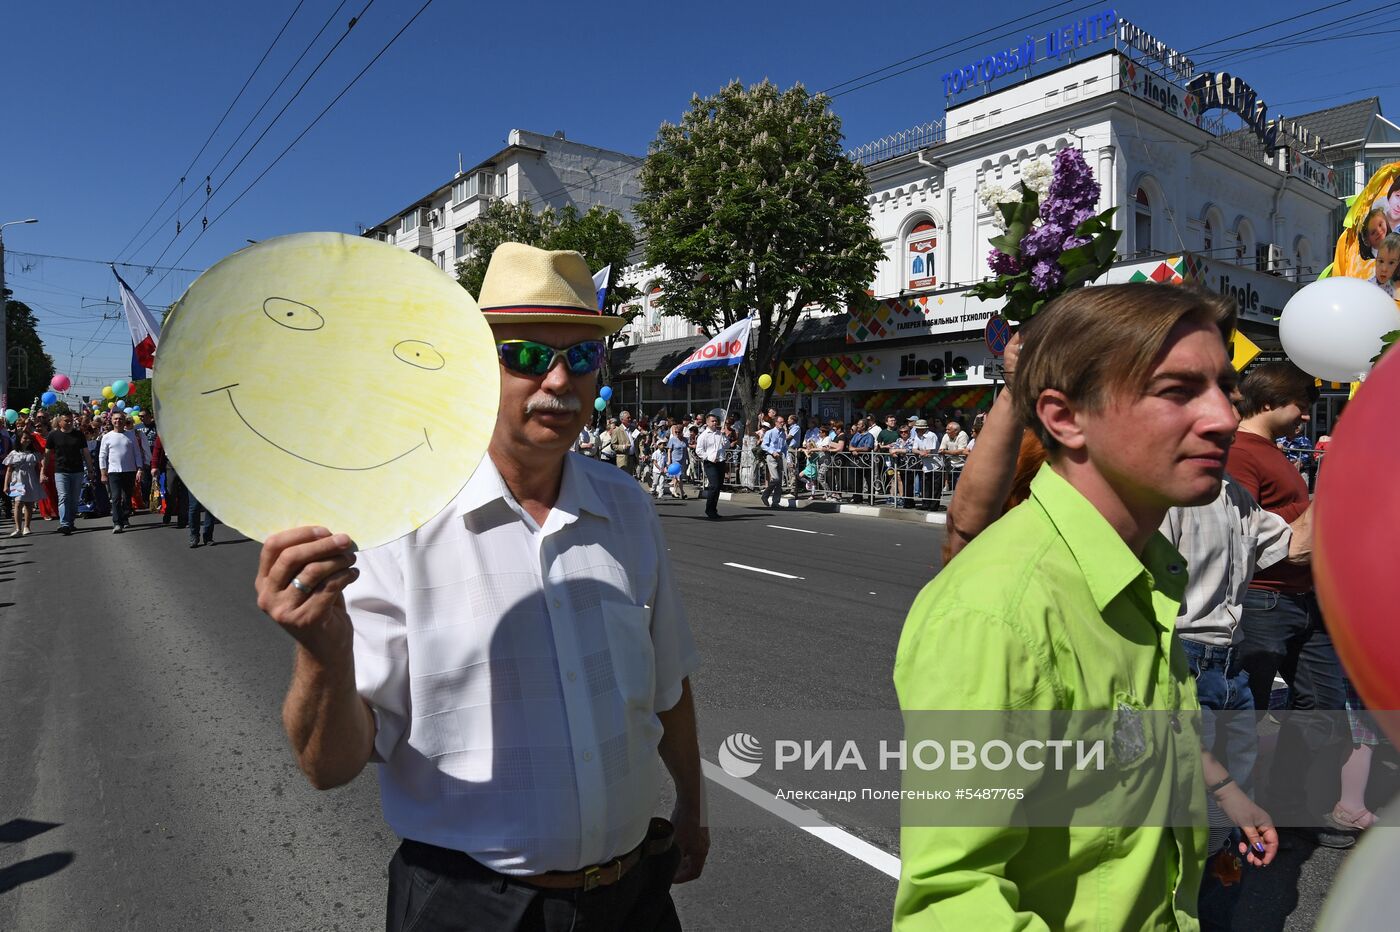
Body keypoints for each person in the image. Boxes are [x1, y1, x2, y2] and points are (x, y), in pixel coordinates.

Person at [254, 244, 705, 932]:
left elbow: (667, 683)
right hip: (470, 908)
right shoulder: (397, 520)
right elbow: (329, 765)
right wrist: (321, 649)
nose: (558, 380)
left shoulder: (628, 505)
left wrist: (693, 807)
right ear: (474, 367)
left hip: (634, 894)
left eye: (582, 357)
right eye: (526, 356)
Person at [894, 284, 1243, 930]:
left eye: (1228, 388)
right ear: (1063, 417)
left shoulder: (1146, 573)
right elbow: (951, 904)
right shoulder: (998, 612)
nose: (1224, 417)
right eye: (1178, 391)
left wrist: (1220, 786)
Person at [1231, 363, 1350, 844]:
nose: (1306, 418)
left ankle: (1287, 804)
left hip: (1302, 597)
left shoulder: (1268, 451)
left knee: (1321, 707)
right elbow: (1240, 527)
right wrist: (1315, 507)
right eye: (1301, 406)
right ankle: (1240, 818)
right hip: (1263, 599)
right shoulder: (1240, 453)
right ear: (1267, 403)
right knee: (1245, 713)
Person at [41, 412, 96, 536]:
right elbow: (47, 454)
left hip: (77, 470)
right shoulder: (53, 435)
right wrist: (43, 471)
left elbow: (86, 452)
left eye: (71, 420)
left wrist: (91, 470)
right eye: (66, 420)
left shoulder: (78, 435)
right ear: (60, 422)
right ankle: (64, 524)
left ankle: (70, 521)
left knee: (74, 498)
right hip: (61, 471)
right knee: (64, 496)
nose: (69, 422)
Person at [98, 414, 144, 533]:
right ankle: (117, 522)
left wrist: (140, 468)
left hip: (129, 471)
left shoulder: (131, 435)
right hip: (114, 472)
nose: (118, 421)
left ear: (124, 421)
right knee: (116, 497)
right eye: (115, 419)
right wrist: (103, 472)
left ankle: (125, 517)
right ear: (112, 421)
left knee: (127, 497)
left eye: (120, 419)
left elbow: (137, 453)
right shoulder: (107, 437)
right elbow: (102, 456)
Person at [3, 430, 44, 537]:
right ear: (19, 439)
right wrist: (6, 485)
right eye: (24, 438)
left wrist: (41, 477)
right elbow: (9, 470)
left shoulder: (34, 454)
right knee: (18, 503)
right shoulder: (14, 454)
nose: (27, 440)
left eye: (28, 438)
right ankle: (18, 528)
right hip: (17, 480)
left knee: (29, 504)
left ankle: (27, 526)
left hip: (30, 480)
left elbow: (39, 468)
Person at [696, 414, 728, 520]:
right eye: (712, 421)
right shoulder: (703, 436)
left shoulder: (720, 434)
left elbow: (727, 445)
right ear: (707, 423)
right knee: (713, 485)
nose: (715, 423)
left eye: (716, 421)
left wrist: (724, 435)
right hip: (710, 463)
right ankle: (709, 509)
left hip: (720, 461)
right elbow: (699, 450)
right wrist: (709, 457)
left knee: (718, 486)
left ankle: (714, 509)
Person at [910, 418, 941, 510]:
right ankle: (925, 504)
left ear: (923, 429)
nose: (916, 430)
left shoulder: (931, 435)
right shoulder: (917, 436)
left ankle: (934, 506)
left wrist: (921, 452)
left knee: (935, 487)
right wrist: (920, 452)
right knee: (925, 486)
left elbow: (929, 451)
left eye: (918, 428)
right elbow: (913, 449)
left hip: (936, 465)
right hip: (925, 465)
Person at [760, 415, 787, 508]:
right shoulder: (770, 432)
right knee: (776, 478)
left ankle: (775, 502)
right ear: (776, 423)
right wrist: (772, 452)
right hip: (771, 456)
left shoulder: (783, 433)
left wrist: (787, 459)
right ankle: (765, 495)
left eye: (783, 422)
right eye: (780, 422)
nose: (782, 424)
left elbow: (784, 447)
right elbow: (763, 446)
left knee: (779, 482)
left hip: (779, 457)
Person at [937, 420, 969, 492]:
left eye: (948, 429)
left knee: (962, 488)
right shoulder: (946, 435)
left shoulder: (962, 435)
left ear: (956, 431)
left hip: (963, 464)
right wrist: (944, 451)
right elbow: (941, 449)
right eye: (946, 429)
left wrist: (946, 452)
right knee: (955, 488)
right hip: (951, 464)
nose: (946, 431)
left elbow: (961, 451)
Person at [665, 423, 689, 500]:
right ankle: (682, 492)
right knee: (678, 477)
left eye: (679, 432)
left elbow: (686, 450)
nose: (677, 434)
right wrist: (669, 460)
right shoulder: (672, 440)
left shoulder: (685, 440)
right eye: (676, 432)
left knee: (678, 477)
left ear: (682, 432)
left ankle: (674, 491)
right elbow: (669, 450)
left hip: (683, 460)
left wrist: (687, 459)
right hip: (675, 460)